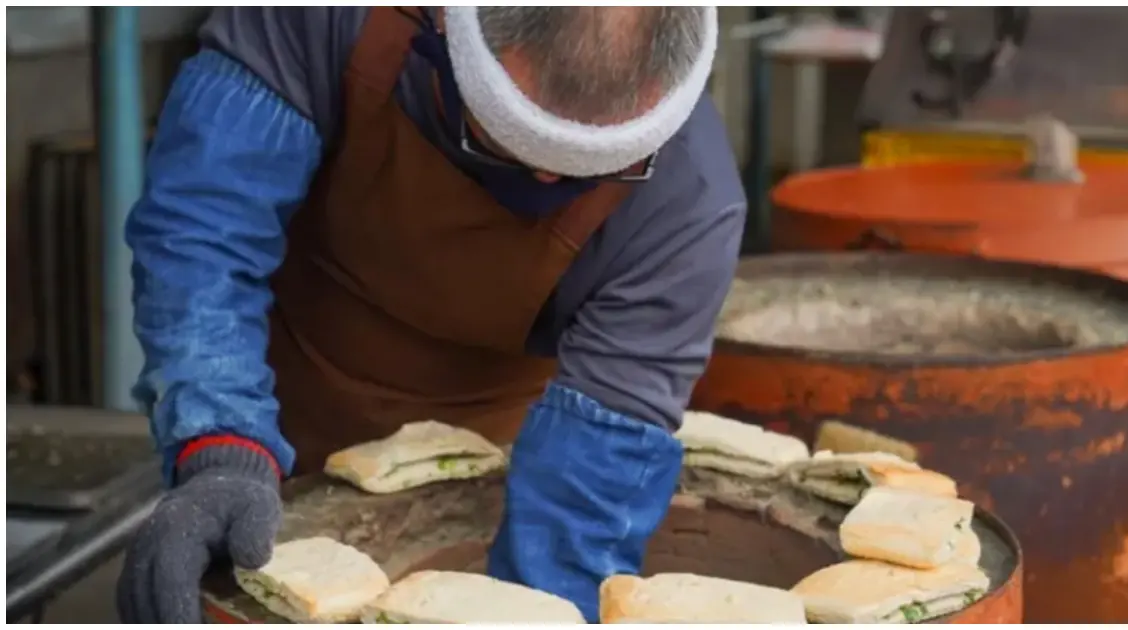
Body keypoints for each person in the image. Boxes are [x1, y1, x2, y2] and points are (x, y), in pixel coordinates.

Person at [117, 6, 744, 624]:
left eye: (597, 169)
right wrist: (220, 446)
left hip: (503, 472)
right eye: (500, 142)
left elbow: (584, 500)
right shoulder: (325, 20)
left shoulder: (689, 203)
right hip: (276, 413)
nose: (548, 174)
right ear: (439, 20)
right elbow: (205, 235)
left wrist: (543, 606)